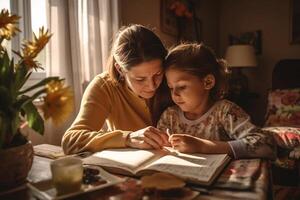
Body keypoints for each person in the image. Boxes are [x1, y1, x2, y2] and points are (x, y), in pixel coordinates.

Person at [62, 25, 171, 154]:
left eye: (158, 74)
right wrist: (128, 138)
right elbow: (70, 141)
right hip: (130, 169)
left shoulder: (174, 79)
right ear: (120, 70)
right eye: (140, 79)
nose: (152, 86)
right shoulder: (105, 86)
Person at [157, 43, 276, 159]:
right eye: (171, 87)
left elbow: (266, 145)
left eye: (182, 87)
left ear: (208, 82)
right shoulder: (169, 116)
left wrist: (202, 146)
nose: (174, 94)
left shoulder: (225, 112)